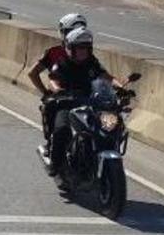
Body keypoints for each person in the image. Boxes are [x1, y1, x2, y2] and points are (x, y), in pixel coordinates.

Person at [46, 27, 122, 175]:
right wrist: (58, 90)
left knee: (110, 126)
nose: (82, 52)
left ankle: (96, 156)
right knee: (62, 130)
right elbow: (52, 80)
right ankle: (56, 164)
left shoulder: (92, 62)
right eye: (79, 49)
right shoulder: (62, 63)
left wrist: (120, 87)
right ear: (69, 48)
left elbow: (107, 77)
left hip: (90, 104)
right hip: (67, 104)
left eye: (85, 49)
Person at [29, 13, 87, 149]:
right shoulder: (53, 52)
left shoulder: (86, 53)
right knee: (51, 110)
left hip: (82, 97)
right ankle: (52, 146)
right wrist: (46, 93)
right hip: (61, 97)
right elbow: (32, 73)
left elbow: (99, 75)